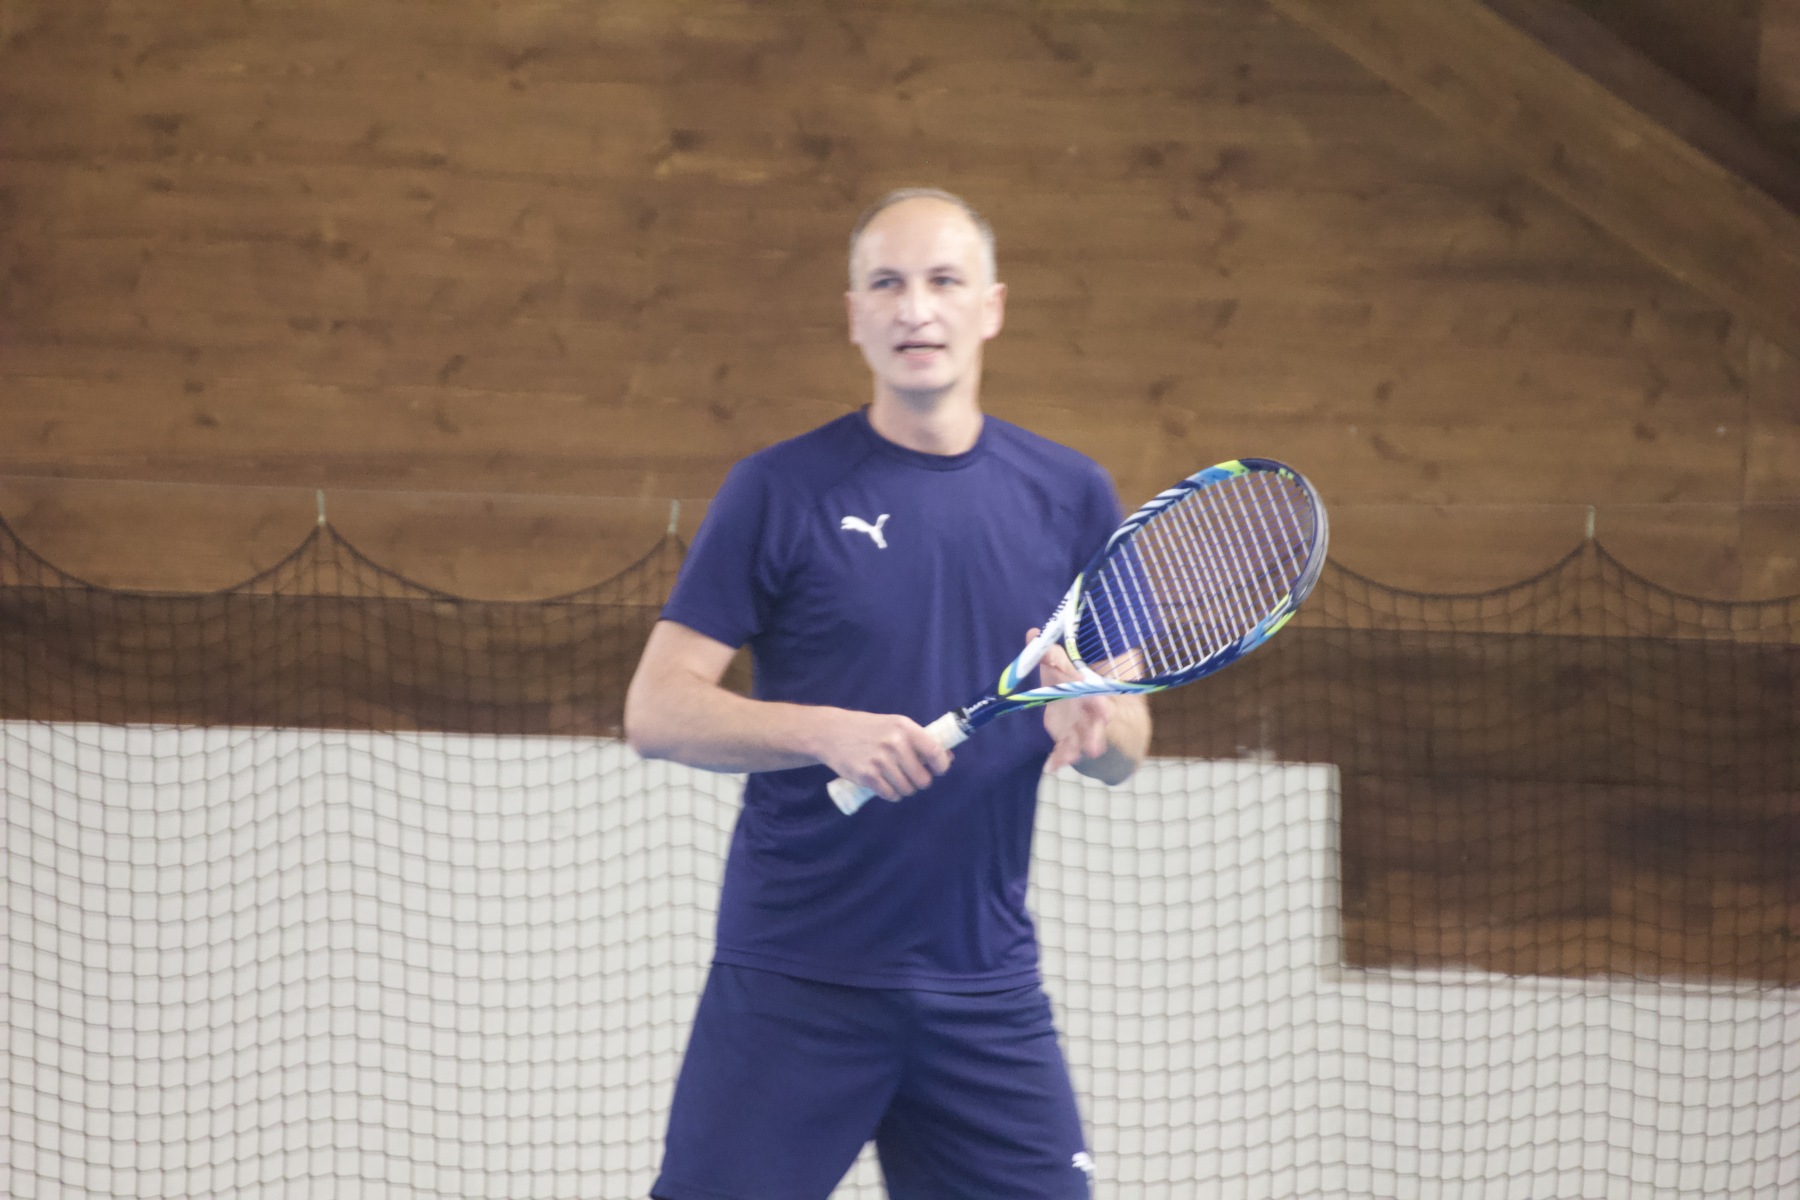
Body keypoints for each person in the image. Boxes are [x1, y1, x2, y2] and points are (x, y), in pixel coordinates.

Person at [624, 187, 1151, 1200]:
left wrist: (1095, 720)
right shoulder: (779, 490)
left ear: (991, 307)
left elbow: (1128, 742)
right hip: (794, 984)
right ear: (854, 315)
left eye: (944, 281)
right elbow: (656, 710)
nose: (916, 309)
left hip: (984, 993)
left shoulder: (1072, 496)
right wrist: (824, 733)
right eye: (888, 284)